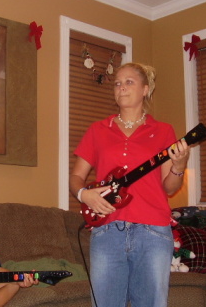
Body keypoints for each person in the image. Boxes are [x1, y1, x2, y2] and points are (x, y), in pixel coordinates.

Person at [69, 62, 190, 307]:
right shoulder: (97, 130)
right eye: (117, 83)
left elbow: (169, 188)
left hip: (153, 232)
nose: (121, 88)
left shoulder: (163, 131)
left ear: (145, 90)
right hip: (107, 232)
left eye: (129, 82)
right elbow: (76, 178)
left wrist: (179, 165)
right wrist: (85, 195)